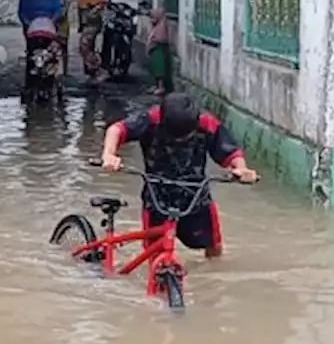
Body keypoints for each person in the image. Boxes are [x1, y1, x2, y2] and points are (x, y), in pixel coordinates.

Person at [99, 92, 259, 259]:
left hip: (195, 196)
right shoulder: (151, 119)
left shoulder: (207, 123)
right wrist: (109, 154)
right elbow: (117, 129)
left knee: (213, 247)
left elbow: (231, 152)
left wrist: (242, 169)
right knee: (154, 253)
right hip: (157, 196)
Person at [78, 0, 109, 80]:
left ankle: (98, 69)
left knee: (84, 46)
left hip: (92, 23)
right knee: (87, 47)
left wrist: (93, 12)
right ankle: (92, 73)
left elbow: (102, 2)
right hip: (85, 22)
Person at [146, 7, 174, 95]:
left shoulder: (162, 26)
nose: (151, 20)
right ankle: (157, 86)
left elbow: (162, 38)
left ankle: (161, 87)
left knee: (160, 70)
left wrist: (154, 40)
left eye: (153, 17)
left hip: (159, 50)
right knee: (155, 69)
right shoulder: (156, 26)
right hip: (155, 50)